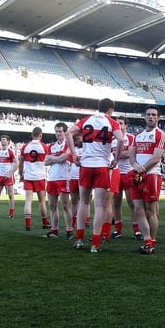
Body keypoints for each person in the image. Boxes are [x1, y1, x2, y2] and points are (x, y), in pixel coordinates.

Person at [66, 97, 124, 253]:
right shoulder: (112, 123)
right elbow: (121, 139)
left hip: (85, 165)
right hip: (101, 167)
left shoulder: (86, 120)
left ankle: (79, 240)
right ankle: (95, 243)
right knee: (100, 205)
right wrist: (116, 158)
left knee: (83, 202)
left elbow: (69, 132)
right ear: (110, 110)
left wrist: (73, 154)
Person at [128, 105, 165, 254]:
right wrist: (134, 166)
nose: (151, 117)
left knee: (150, 211)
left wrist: (142, 169)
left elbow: (156, 157)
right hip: (138, 175)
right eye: (148, 114)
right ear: (144, 117)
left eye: (154, 115)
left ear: (158, 118)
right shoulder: (138, 136)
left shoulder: (161, 135)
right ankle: (147, 241)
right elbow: (132, 155)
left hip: (151, 175)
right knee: (138, 209)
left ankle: (152, 242)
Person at [110, 116, 138, 240]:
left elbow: (130, 154)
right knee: (116, 203)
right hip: (115, 173)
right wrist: (121, 154)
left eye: (121, 123)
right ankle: (118, 229)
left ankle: (137, 230)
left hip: (129, 173)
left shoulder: (131, 138)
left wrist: (116, 154)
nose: (119, 125)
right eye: (117, 123)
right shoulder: (111, 138)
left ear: (126, 125)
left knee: (132, 202)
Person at [18, 126, 51, 232]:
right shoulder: (44, 147)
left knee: (28, 201)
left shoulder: (25, 147)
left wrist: (20, 174)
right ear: (40, 135)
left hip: (28, 176)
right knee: (42, 201)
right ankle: (45, 223)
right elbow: (48, 160)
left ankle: (28, 224)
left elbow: (21, 162)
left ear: (32, 135)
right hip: (40, 176)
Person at [43, 123, 71, 238]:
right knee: (52, 205)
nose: (58, 133)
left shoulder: (68, 144)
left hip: (63, 177)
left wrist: (53, 158)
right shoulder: (51, 146)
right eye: (57, 131)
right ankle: (54, 230)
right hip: (52, 178)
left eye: (60, 131)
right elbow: (45, 162)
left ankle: (69, 231)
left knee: (65, 205)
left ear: (65, 132)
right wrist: (57, 159)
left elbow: (64, 158)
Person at [0, 134, 17, 219]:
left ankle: (11, 213)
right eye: (1, 139)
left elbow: (17, 163)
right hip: (0, 176)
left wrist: (10, 173)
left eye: (4, 139)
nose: (2, 141)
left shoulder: (10, 151)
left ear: (8, 142)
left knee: (10, 195)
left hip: (8, 176)